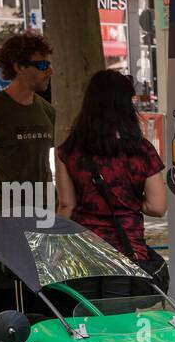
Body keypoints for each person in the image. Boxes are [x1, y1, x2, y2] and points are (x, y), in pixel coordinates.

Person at [54, 69, 166, 293]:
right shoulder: (141, 150)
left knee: (84, 321)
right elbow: (158, 207)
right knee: (119, 322)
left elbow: (67, 204)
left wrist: (58, 246)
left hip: (83, 253)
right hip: (126, 254)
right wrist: (129, 201)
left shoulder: (69, 150)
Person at [0, 31, 55, 212]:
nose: (50, 71)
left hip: (49, 213)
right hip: (10, 216)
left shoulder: (46, 110)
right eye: (42, 65)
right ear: (19, 67)